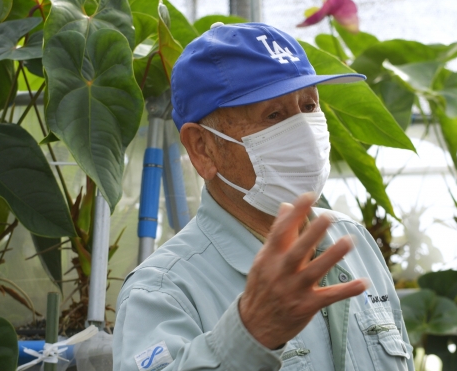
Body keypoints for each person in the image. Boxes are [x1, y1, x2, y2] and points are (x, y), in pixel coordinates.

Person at [113, 22, 415, 371]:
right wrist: (250, 334)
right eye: (273, 115)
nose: (304, 130)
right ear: (203, 149)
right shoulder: (161, 291)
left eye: (308, 106)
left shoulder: (353, 241)